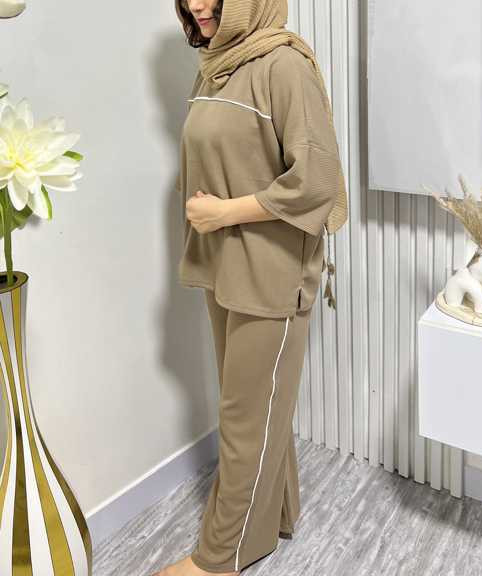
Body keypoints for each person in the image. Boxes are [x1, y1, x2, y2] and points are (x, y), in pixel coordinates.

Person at [153, 0, 348, 574]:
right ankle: (274, 517)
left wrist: (225, 213)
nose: (197, 5)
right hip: (224, 267)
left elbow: (317, 180)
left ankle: (219, 558)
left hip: (272, 270)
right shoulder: (217, 65)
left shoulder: (283, 65)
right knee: (256, 408)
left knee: (244, 417)